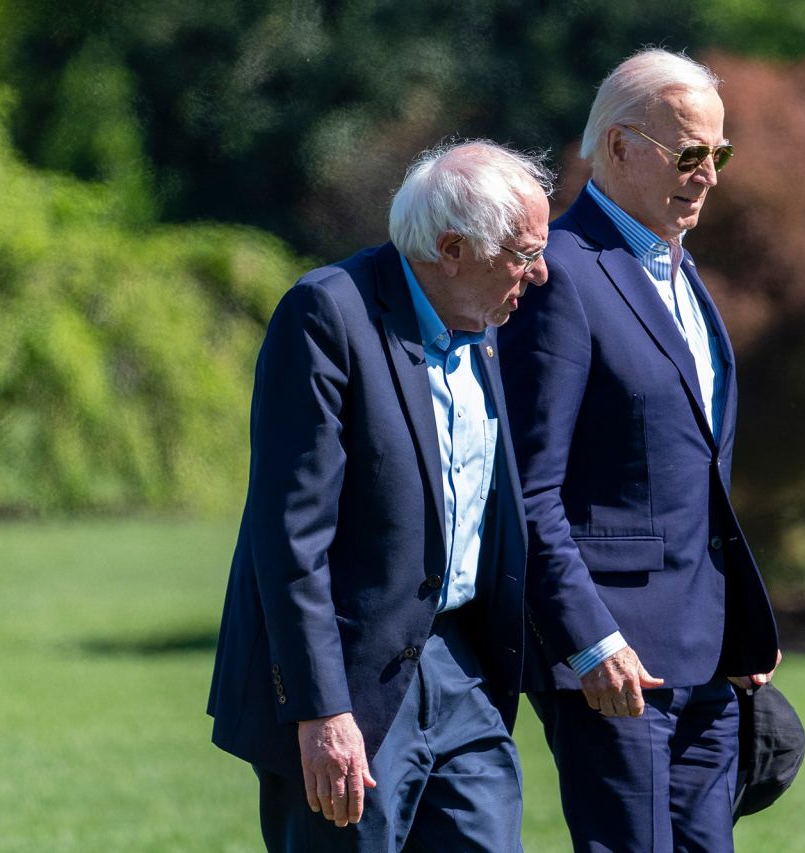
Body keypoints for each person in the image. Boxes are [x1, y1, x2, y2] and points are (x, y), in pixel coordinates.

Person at [208, 140, 552, 852]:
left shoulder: (483, 328)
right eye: (523, 254)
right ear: (452, 249)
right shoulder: (327, 315)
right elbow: (290, 537)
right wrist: (321, 710)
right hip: (351, 685)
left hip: (464, 673)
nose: (539, 273)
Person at [498, 48, 782, 852]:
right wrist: (590, 640)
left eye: (719, 154)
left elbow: (693, 476)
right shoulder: (559, 274)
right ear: (618, 148)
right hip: (612, 667)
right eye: (690, 154)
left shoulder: (681, 272)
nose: (711, 176)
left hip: (707, 658)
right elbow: (528, 488)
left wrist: (737, 622)